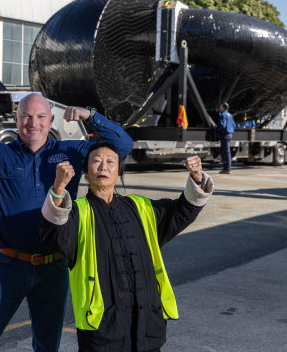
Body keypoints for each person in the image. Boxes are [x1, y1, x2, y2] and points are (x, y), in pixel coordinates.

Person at [0, 93, 134, 352]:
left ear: (51, 121)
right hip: (8, 267)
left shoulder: (71, 152)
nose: (33, 123)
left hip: (54, 268)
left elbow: (123, 145)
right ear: (16, 119)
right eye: (26, 116)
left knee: (47, 346)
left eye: (40, 117)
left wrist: (90, 116)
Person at [40, 141, 213, 352]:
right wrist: (58, 189)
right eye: (96, 161)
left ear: (119, 171)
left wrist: (197, 179)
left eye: (110, 161)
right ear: (86, 172)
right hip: (103, 330)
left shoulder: (141, 207)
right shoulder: (77, 213)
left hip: (147, 323)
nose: (103, 166)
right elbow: (53, 234)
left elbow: (181, 212)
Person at [217, 102, 236, 174]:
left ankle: (227, 169)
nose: (219, 107)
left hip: (224, 134)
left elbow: (222, 125)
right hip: (230, 134)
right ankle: (226, 168)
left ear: (223, 108)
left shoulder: (223, 115)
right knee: (226, 151)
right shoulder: (230, 115)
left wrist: (216, 128)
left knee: (225, 152)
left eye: (221, 106)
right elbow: (234, 125)